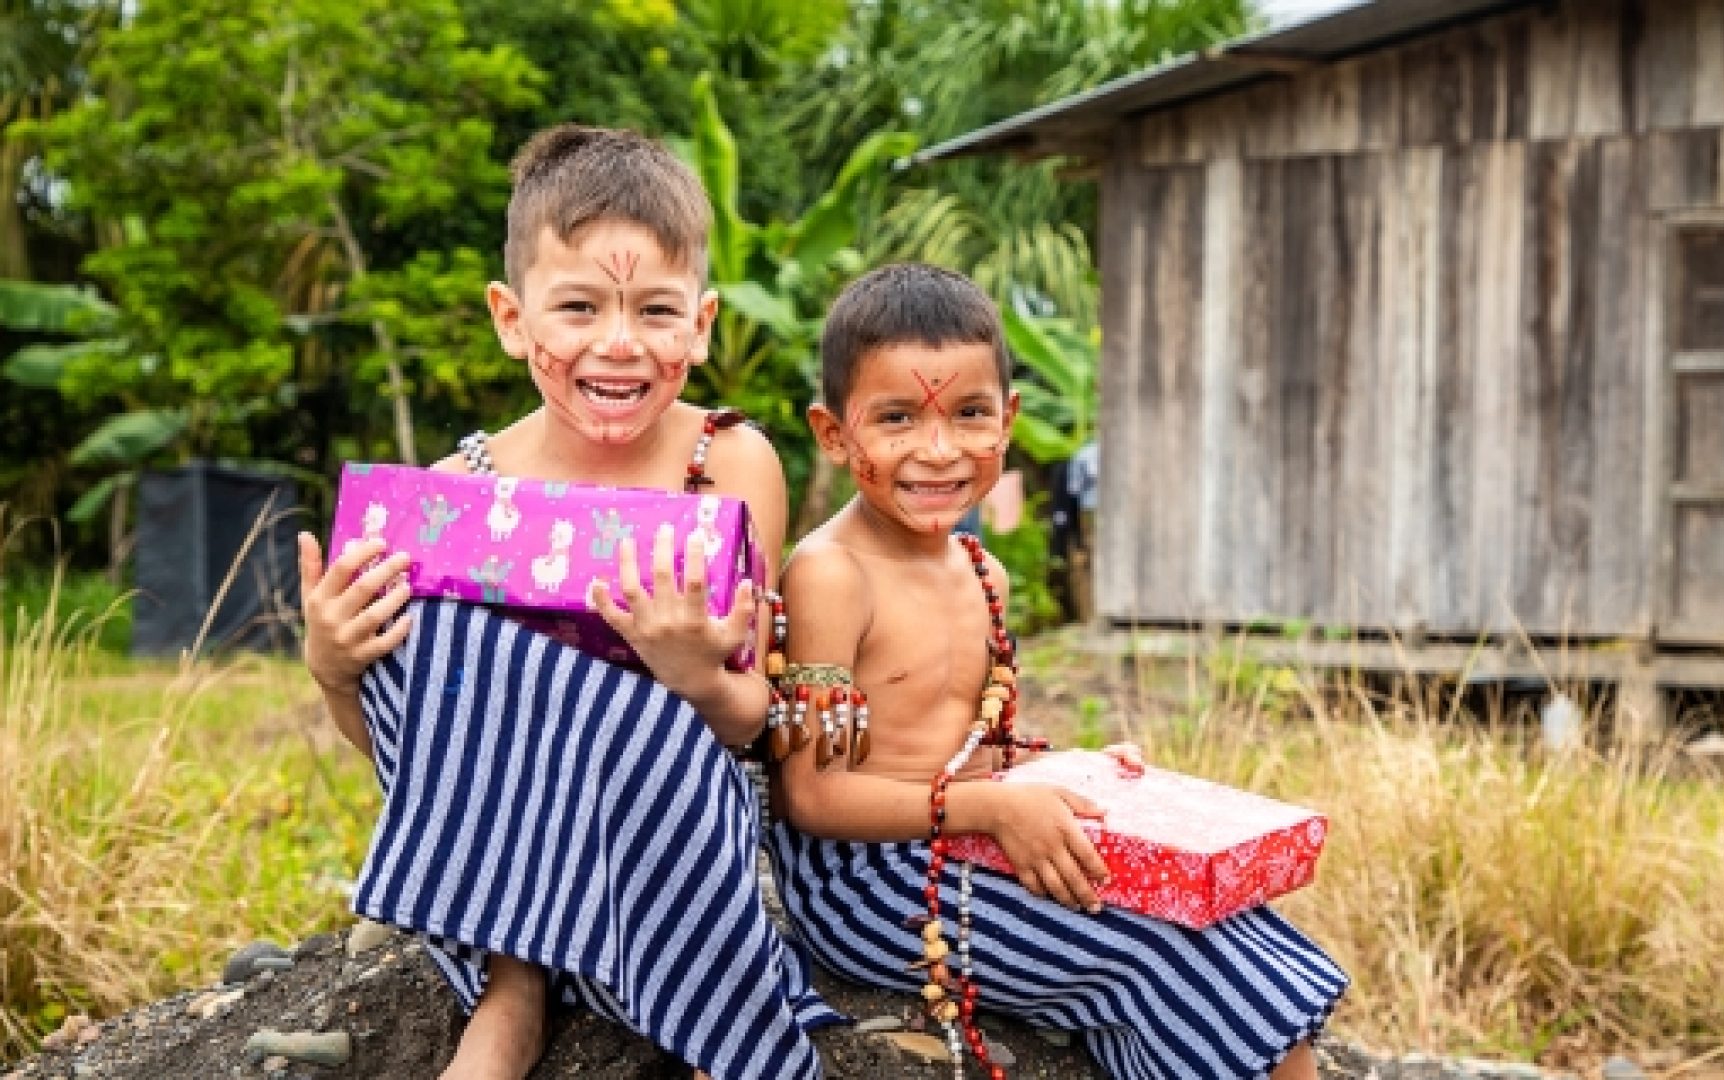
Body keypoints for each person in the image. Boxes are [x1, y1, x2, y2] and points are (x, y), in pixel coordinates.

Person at [294, 125, 834, 1080]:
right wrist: (337, 667)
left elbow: (753, 721)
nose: (618, 345)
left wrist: (697, 675)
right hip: (513, 848)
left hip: (671, 820)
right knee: (420, 639)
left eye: (657, 311)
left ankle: (702, 1011)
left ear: (701, 324)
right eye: (578, 307)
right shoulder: (452, 492)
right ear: (512, 318)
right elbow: (415, 745)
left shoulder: (727, 464)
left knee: (609, 709)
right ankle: (516, 988)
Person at [766, 263, 1347, 1080]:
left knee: (1221, 920)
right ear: (834, 434)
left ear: (1008, 419)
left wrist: (1077, 775)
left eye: (969, 414)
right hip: (872, 887)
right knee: (1162, 953)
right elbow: (812, 798)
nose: (938, 449)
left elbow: (987, 753)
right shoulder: (832, 574)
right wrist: (994, 815)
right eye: (896, 419)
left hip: (967, 841)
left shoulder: (982, 574)